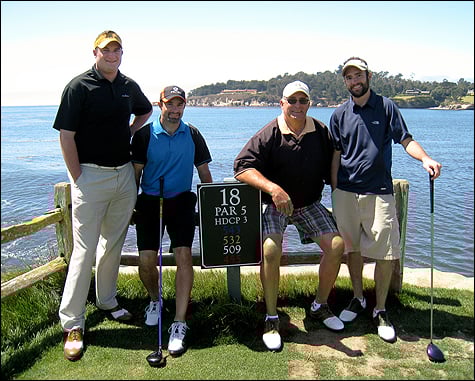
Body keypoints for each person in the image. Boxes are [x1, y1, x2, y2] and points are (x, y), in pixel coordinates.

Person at [53, 30, 153, 361]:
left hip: (124, 174)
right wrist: (78, 177)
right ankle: (72, 322)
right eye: (106, 50)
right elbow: (66, 137)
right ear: (95, 52)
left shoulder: (127, 85)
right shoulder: (78, 87)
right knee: (84, 250)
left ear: (122, 54)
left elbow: (145, 110)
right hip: (90, 176)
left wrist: (128, 131)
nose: (112, 55)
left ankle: (107, 300)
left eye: (117, 50)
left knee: (113, 243)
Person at [330, 57, 442, 343]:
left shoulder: (387, 107)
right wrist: (333, 189)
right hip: (345, 192)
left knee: (387, 253)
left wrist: (425, 158)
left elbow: (405, 140)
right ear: (345, 81)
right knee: (351, 250)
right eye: (349, 77)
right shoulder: (339, 114)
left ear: (369, 76)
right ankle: (357, 298)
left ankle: (380, 309)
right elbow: (336, 155)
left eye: (358, 75)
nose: (354, 81)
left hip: (379, 191)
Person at [233, 80, 345, 352]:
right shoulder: (269, 133)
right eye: (291, 101)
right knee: (271, 250)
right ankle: (271, 316)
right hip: (276, 204)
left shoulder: (320, 131)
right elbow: (241, 168)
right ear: (281, 103)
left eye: (302, 101)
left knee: (337, 246)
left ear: (309, 103)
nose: (297, 106)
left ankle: (319, 306)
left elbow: (336, 161)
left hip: (309, 203)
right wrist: (273, 188)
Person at [131, 85, 213, 357]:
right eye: (170, 104)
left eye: (180, 105)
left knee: (184, 256)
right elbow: (135, 175)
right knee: (146, 260)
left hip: (181, 200)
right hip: (151, 201)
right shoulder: (144, 135)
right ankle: (155, 300)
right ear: (160, 105)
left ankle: (179, 322)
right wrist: (131, 205)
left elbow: (204, 172)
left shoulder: (193, 134)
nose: (175, 110)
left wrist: (210, 203)